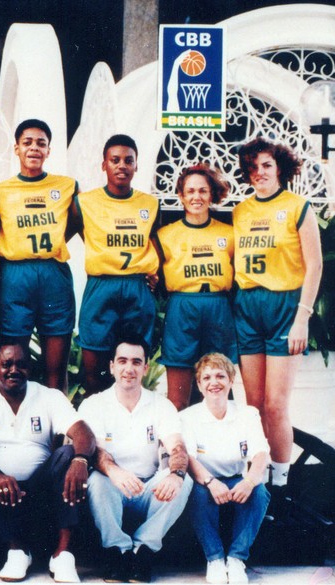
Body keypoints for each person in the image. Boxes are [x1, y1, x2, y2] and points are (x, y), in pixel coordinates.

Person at [0, 341, 96, 582]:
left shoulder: (49, 397)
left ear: (30, 369)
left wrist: (81, 460)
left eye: (21, 364)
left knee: (68, 454)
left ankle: (63, 554)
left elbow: (83, 432)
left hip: (40, 489)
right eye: (6, 364)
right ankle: (17, 550)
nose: (13, 370)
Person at [232, 138, 322, 491]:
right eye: (253, 167)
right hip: (249, 306)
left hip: (285, 307)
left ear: (280, 167)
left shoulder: (298, 206)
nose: (259, 173)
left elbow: (314, 265)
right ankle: (260, 476)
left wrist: (302, 317)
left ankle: (282, 483)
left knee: (274, 405)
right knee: (252, 406)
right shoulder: (241, 211)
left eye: (266, 165)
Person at [78, 333, 192, 583]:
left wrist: (175, 474)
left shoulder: (161, 405)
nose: (129, 368)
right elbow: (94, 451)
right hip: (113, 485)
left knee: (185, 481)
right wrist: (115, 472)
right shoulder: (93, 404)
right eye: (122, 361)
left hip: (148, 488)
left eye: (136, 362)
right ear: (111, 366)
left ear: (145, 367)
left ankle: (143, 550)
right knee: (97, 480)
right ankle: (117, 550)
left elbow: (177, 447)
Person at [0, 120, 79, 391]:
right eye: (27, 142)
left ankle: (57, 432)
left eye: (41, 143)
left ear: (49, 150)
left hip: (53, 272)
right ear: (16, 148)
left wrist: (54, 240)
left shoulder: (66, 186)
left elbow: (76, 223)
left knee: (56, 364)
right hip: (16, 274)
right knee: (11, 358)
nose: (34, 148)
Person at [70, 135, 160, 396]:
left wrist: (156, 275)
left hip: (136, 287)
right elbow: (65, 233)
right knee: (95, 369)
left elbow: (158, 245)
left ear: (136, 166)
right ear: (104, 165)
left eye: (128, 160)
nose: (122, 165)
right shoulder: (85, 202)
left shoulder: (150, 204)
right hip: (102, 285)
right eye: (115, 160)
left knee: (134, 364)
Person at [181, 353, 270, 585]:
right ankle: (216, 560)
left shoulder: (248, 414)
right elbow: (189, 459)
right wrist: (211, 482)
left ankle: (237, 559)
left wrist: (249, 481)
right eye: (207, 377)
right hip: (206, 482)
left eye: (221, 376)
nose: (214, 382)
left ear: (231, 381)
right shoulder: (187, 418)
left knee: (260, 492)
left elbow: (261, 453)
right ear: (199, 385)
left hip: (236, 479)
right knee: (196, 492)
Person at [155, 164, 237, 410]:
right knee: (178, 396)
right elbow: (151, 272)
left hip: (217, 306)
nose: (196, 197)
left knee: (219, 391)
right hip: (182, 306)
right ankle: (177, 448)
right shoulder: (165, 235)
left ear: (211, 194)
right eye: (190, 191)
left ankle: (221, 446)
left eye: (202, 191)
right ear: (181, 195)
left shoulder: (229, 233)